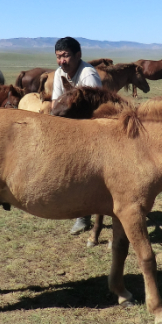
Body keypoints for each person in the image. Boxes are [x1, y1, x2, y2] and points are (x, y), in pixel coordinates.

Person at [51, 37, 103, 234]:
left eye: (65, 56)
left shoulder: (88, 75)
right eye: (58, 57)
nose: (62, 61)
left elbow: (96, 110)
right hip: (70, 125)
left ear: (78, 55)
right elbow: (56, 104)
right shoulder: (59, 73)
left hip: (91, 129)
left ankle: (84, 216)